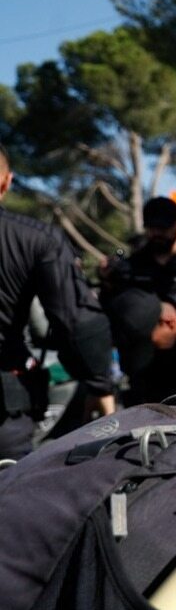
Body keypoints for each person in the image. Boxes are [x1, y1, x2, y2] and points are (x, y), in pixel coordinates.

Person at [0, 145, 115, 460]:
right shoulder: (38, 239)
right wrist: (100, 386)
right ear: (7, 183)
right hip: (6, 412)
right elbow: (76, 320)